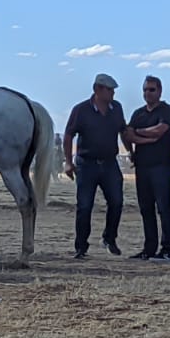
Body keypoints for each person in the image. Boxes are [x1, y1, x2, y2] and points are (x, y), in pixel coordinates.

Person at [63, 74, 128, 258]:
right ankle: (81, 247)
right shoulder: (81, 110)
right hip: (87, 164)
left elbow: (123, 131)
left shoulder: (117, 109)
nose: (113, 92)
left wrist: (131, 150)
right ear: (97, 89)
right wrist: (68, 162)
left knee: (117, 202)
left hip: (109, 163)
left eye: (113, 89)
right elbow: (68, 136)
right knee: (84, 206)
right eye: (109, 89)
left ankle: (109, 238)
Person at [127, 74, 170, 261]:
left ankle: (167, 249)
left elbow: (161, 130)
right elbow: (127, 135)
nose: (148, 93)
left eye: (152, 89)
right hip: (142, 166)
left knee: (163, 208)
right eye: (145, 90)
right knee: (146, 208)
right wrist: (143, 139)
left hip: (160, 166)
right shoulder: (138, 113)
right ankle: (149, 249)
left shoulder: (167, 110)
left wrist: (138, 133)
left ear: (160, 91)